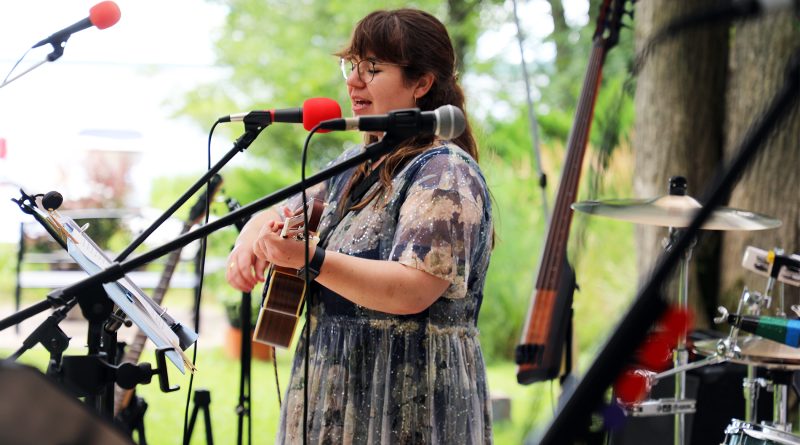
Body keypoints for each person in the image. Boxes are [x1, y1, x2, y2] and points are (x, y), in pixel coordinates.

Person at [226, 8, 494, 444]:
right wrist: (252, 232)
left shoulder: (444, 171)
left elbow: (413, 289)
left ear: (421, 83)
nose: (353, 81)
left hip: (408, 400)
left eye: (373, 69)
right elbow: (280, 210)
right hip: (332, 390)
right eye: (352, 66)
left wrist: (310, 260)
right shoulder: (351, 165)